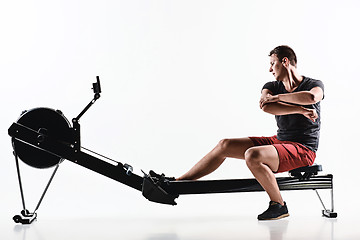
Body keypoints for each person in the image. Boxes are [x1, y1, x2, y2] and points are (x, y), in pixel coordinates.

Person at [176, 45, 324, 220]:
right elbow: (266, 106)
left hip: (303, 149)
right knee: (225, 145)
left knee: (253, 155)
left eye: (272, 63)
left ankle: (279, 205)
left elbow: (312, 97)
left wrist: (277, 97)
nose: (270, 69)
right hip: (280, 141)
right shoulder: (271, 85)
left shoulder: (313, 84)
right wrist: (300, 110)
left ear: (284, 62)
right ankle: (179, 184)